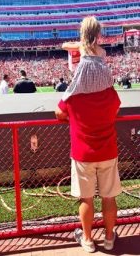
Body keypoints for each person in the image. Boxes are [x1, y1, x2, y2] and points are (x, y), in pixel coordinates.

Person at [55, 16, 121, 253]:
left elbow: (58, 112)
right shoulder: (109, 91)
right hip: (108, 150)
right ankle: (111, 237)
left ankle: (88, 240)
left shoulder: (73, 95)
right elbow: (116, 107)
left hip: (83, 153)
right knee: (109, 198)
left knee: (86, 199)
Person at [61, 16, 114, 101]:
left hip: (83, 84)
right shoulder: (103, 51)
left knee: (66, 101)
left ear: (83, 33)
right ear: (98, 33)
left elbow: (64, 46)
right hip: (100, 87)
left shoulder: (82, 46)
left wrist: (77, 42)